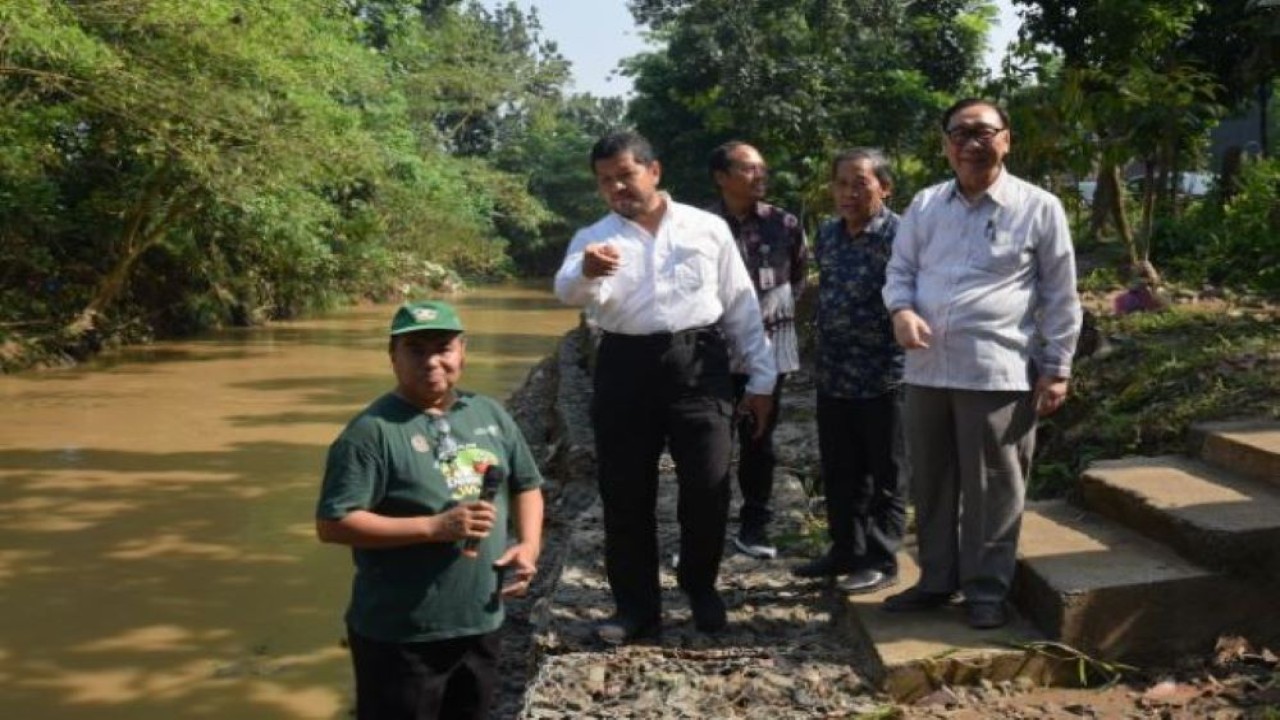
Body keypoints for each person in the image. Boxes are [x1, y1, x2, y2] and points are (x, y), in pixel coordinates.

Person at [554, 130, 776, 645]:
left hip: (699, 363)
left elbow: (740, 303)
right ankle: (636, 609)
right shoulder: (594, 238)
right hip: (624, 366)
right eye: (606, 181)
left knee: (709, 484)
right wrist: (587, 271)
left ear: (654, 172)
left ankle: (700, 586)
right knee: (626, 493)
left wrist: (761, 377)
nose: (617, 188)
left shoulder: (706, 228)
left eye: (625, 175)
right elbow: (567, 287)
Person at [881, 99, 1082, 629]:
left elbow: (1061, 295)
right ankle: (936, 580)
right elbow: (899, 271)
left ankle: (987, 589)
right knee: (932, 482)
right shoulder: (925, 206)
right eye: (960, 133)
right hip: (926, 371)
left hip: (998, 370)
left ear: (1006, 140)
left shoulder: (1039, 207)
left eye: (983, 132)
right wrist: (900, 311)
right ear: (946, 144)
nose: (972, 143)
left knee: (995, 486)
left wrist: (1057, 367)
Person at [315, 300, 545, 720]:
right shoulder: (371, 433)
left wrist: (528, 545)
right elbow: (334, 523)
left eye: (443, 347)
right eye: (416, 350)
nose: (431, 361)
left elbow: (527, 485)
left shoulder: (488, 412)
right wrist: (433, 526)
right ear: (393, 356)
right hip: (401, 635)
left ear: (463, 352)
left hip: (481, 620)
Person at [792, 148, 906, 595]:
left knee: (887, 472)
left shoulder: (903, 235)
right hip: (834, 373)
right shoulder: (828, 234)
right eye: (841, 183)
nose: (848, 192)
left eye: (860, 182)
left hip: (885, 373)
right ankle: (844, 549)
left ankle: (880, 558)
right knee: (840, 469)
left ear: (884, 186)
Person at [707, 141, 808, 560]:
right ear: (722, 177)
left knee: (758, 439)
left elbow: (799, 276)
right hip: (709, 353)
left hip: (766, 351)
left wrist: (772, 320)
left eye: (762, 169)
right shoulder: (699, 225)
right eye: (749, 169)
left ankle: (755, 526)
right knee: (709, 444)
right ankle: (705, 530)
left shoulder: (783, 224)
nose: (760, 176)